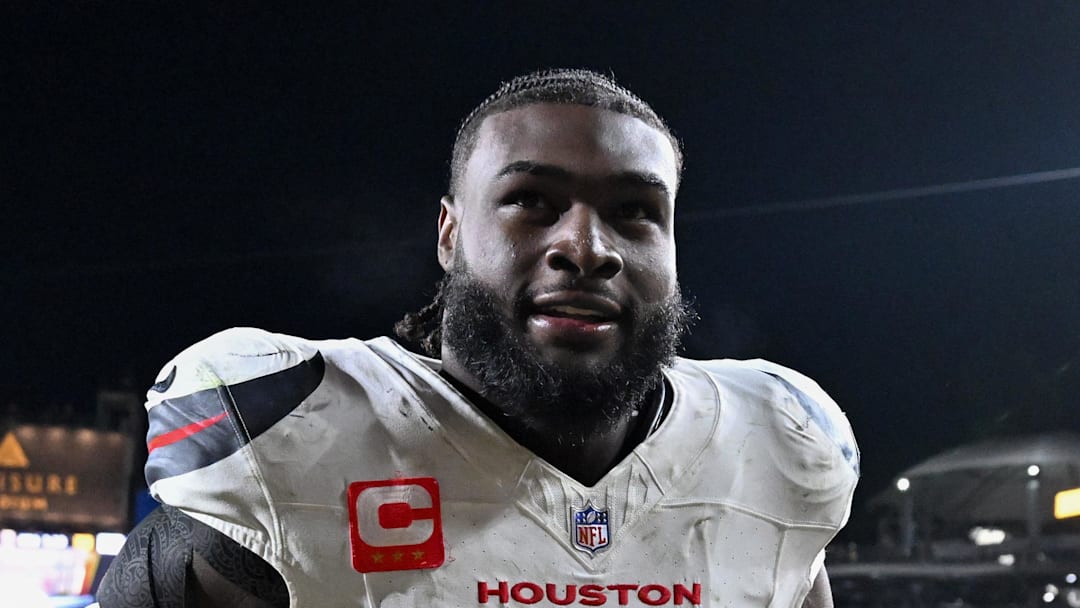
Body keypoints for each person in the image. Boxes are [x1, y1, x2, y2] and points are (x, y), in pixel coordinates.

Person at [97, 68, 859, 607]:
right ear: (450, 233)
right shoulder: (283, 425)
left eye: (634, 210)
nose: (587, 247)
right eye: (531, 200)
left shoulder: (782, 438)